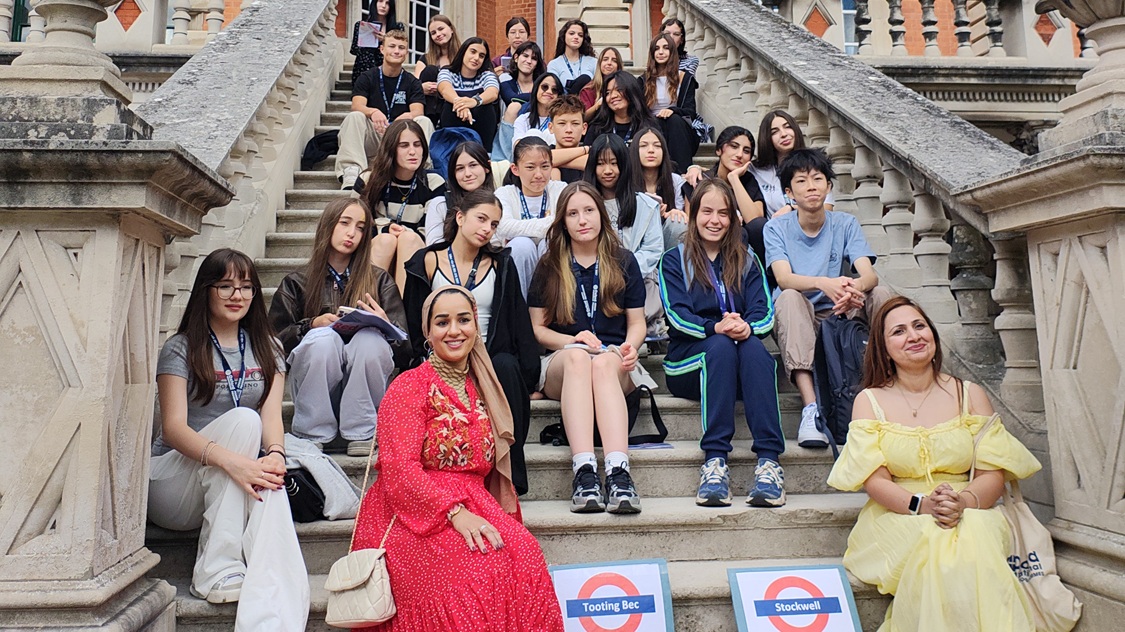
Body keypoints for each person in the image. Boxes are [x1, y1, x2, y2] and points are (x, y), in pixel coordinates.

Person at [350, 286, 565, 631]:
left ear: (476, 326)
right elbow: (399, 470)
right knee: (475, 571)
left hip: (475, 501)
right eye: (442, 322)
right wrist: (453, 512)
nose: (454, 331)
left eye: (463, 320)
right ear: (427, 331)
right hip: (412, 510)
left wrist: (475, 512)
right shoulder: (409, 386)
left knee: (525, 554)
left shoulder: (484, 386)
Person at [827, 296, 1041, 631]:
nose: (913, 336)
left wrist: (961, 502)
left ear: (932, 334)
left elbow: (992, 474)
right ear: (883, 348)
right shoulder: (870, 401)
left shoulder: (970, 394)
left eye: (919, 326)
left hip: (971, 505)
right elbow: (875, 481)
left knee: (972, 533)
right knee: (939, 538)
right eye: (898, 331)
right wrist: (924, 505)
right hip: (899, 513)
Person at [149, 248, 309, 628]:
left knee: (263, 457)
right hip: (172, 484)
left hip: (230, 476)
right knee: (242, 421)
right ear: (206, 290)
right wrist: (234, 462)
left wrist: (275, 455)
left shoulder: (268, 347)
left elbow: (271, 416)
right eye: (225, 286)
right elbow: (173, 428)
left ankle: (242, 579)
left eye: (246, 286)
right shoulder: (180, 348)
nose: (237, 295)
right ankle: (215, 567)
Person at [528, 181, 652, 515]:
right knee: (579, 359)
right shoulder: (549, 265)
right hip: (564, 359)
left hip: (613, 358)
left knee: (602, 363)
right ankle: (584, 472)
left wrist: (630, 347)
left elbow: (637, 323)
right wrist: (572, 341)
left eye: (589, 211)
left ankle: (618, 472)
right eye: (573, 213)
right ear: (563, 221)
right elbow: (538, 329)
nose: (582, 220)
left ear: (601, 214)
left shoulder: (623, 260)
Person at [658, 179, 785, 507]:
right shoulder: (674, 260)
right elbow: (677, 317)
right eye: (707, 211)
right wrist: (716, 327)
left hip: (740, 364)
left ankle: (769, 462)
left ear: (733, 219)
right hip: (688, 363)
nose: (715, 220)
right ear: (693, 214)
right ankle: (715, 461)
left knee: (754, 348)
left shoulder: (747, 259)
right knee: (721, 347)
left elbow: (764, 313)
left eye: (723, 213)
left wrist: (746, 327)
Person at [404, 190, 540, 495]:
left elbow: (518, 320)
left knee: (507, 366)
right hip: (440, 356)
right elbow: (413, 320)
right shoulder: (427, 261)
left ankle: (510, 481)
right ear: (460, 217)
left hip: (487, 358)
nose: (487, 229)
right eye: (481, 219)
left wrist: (531, 376)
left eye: (494, 224)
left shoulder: (500, 264)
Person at [764, 148, 892, 448]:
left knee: (881, 294)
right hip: (802, 313)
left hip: (840, 310)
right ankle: (812, 410)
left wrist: (851, 290)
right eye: (801, 181)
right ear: (788, 193)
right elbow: (783, 278)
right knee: (788, 297)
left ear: (829, 186)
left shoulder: (845, 223)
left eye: (818, 179)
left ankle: (892, 389)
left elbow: (869, 275)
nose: (811, 187)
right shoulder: (776, 228)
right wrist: (824, 283)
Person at [268, 199, 408, 456]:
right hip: (317, 389)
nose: (351, 233)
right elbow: (274, 343)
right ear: (328, 225)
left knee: (369, 340)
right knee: (322, 339)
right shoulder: (297, 282)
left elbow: (405, 352)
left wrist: (385, 325)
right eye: (345, 223)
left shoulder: (379, 280)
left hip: (365, 397)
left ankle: (363, 433)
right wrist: (310, 325)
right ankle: (312, 431)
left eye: (360, 228)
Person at [581, 133, 664, 336]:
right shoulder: (583, 205)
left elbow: (652, 250)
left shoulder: (646, 205)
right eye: (601, 164)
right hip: (592, 278)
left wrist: (621, 271)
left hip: (633, 279)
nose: (608, 170)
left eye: (614, 163)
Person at [359, 119, 446, 292]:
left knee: (408, 239)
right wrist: (385, 230)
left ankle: (400, 308)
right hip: (377, 252)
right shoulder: (367, 180)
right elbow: (357, 225)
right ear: (391, 148)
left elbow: (431, 233)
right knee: (386, 240)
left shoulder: (434, 182)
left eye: (417, 145)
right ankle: (366, 303)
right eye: (404, 145)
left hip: (415, 253)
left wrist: (403, 232)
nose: (413, 152)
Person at [337, 29, 431, 190]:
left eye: (401, 48)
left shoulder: (412, 82)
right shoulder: (367, 77)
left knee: (423, 121)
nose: (396, 51)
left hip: (400, 138)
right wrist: (372, 112)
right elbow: (357, 105)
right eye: (392, 46)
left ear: (406, 53)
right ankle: (352, 171)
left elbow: (418, 111)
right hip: (376, 134)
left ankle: (422, 170)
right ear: (382, 49)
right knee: (355, 117)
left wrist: (408, 116)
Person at [494, 136, 568, 296]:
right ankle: (519, 306)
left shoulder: (560, 190)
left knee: (548, 244)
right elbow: (503, 227)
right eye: (530, 167)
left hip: (552, 264)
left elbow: (566, 224)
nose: (539, 174)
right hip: (518, 261)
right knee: (522, 245)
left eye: (545, 166)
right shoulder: (504, 193)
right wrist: (552, 223)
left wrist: (518, 229)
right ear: (515, 169)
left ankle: (551, 303)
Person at [684, 126, 768, 262]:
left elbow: (756, 222)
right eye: (734, 146)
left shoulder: (749, 181)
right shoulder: (700, 180)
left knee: (745, 231)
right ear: (719, 150)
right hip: (706, 246)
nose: (740, 154)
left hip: (744, 249)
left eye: (746, 151)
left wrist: (734, 179)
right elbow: (691, 222)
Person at [586, 71, 696, 174]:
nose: (613, 96)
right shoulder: (598, 128)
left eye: (618, 90)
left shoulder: (650, 126)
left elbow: (664, 161)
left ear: (631, 91)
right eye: (608, 93)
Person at [750, 110, 834, 217]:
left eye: (788, 127)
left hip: (810, 224)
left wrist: (792, 208)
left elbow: (827, 209)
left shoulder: (814, 161)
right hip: (773, 226)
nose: (784, 134)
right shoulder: (756, 170)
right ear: (766, 138)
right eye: (774, 132)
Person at [424, 141, 496, 246]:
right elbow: (434, 247)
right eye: (460, 168)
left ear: (487, 167)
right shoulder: (441, 205)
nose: (467, 174)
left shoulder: (499, 203)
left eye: (473, 165)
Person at [437, 37, 502, 151]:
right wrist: (461, 104)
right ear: (463, 52)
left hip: (480, 125)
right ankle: (451, 153)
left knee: (485, 106)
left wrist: (474, 101)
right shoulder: (447, 72)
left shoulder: (487, 75)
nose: (476, 58)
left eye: (481, 56)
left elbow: (493, 92)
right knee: (449, 105)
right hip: (454, 120)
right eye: (473, 52)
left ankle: (485, 152)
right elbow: (444, 89)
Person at [631, 126, 689, 248]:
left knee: (678, 221)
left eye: (657, 146)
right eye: (643, 146)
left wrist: (671, 214)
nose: (651, 150)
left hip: (666, 239)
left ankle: (669, 260)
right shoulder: (626, 180)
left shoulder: (675, 180)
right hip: (634, 241)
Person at [414, 15, 461, 128]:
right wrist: (422, 88)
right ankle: (431, 123)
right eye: (433, 33)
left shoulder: (463, 57)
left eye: (441, 29)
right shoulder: (425, 59)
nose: (438, 34)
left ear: (451, 29)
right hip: (430, 106)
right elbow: (413, 86)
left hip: (452, 104)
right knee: (430, 70)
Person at [349, 0, 403, 89]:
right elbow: (354, 50)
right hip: (364, 66)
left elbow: (400, 49)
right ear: (374, 3)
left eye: (387, 3)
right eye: (380, 1)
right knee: (366, 56)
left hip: (386, 66)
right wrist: (366, 40)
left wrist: (386, 39)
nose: (383, 6)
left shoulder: (397, 28)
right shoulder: (361, 25)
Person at [549, 94, 590, 183]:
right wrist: (585, 150)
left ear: (584, 128)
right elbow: (541, 159)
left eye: (575, 124)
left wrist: (554, 162)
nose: (569, 130)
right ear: (551, 127)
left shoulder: (592, 155)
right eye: (562, 123)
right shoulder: (542, 152)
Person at [513, 72, 562, 148]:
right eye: (545, 87)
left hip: (555, 154)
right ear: (536, 89)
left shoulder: (561, 121)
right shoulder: (523, 119)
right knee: (533, 133)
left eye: (554, 90)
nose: (549, 91)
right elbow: (517, 147)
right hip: (528, 154)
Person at [547, 19, 596, 94]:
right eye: (572, 33)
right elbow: (553, 90)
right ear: (564, 36)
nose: (576, 37)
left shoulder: (593, 62)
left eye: (580, 35)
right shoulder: (554, 64)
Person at [498, 41, 545, 112]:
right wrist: (538, 96)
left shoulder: (542, 85)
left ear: (537, 64)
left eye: (534, 58)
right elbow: (511, 98)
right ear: (516, 57)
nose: (529, 61)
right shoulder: (506, 81)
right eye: (525, 56)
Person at [579, 47, 623, 120]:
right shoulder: (589, 89)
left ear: (618, 66)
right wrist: (597, 105)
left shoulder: (625, 86)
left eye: (614, 60)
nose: (609, 63)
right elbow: (582, 117)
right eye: (605, 59)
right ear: (600, 64)